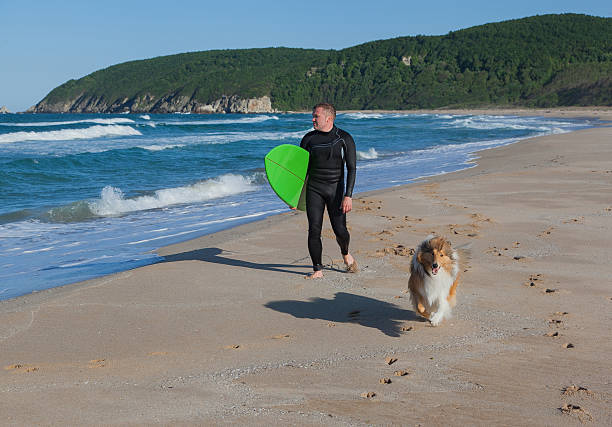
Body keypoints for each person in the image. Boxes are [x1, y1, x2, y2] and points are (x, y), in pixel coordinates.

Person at [299, 103, 357, 279]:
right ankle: (318, 269)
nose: (313, 119)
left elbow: (352, 168)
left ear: (329, 118)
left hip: (336, 190)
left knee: (340, 230)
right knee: (314, 229)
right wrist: (295, 197)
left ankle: (345, 253)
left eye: (316, 116)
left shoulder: (344, 138)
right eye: (313, 115)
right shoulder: (308, 139)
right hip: (314, 189)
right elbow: (301, 171)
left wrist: (348, 196)